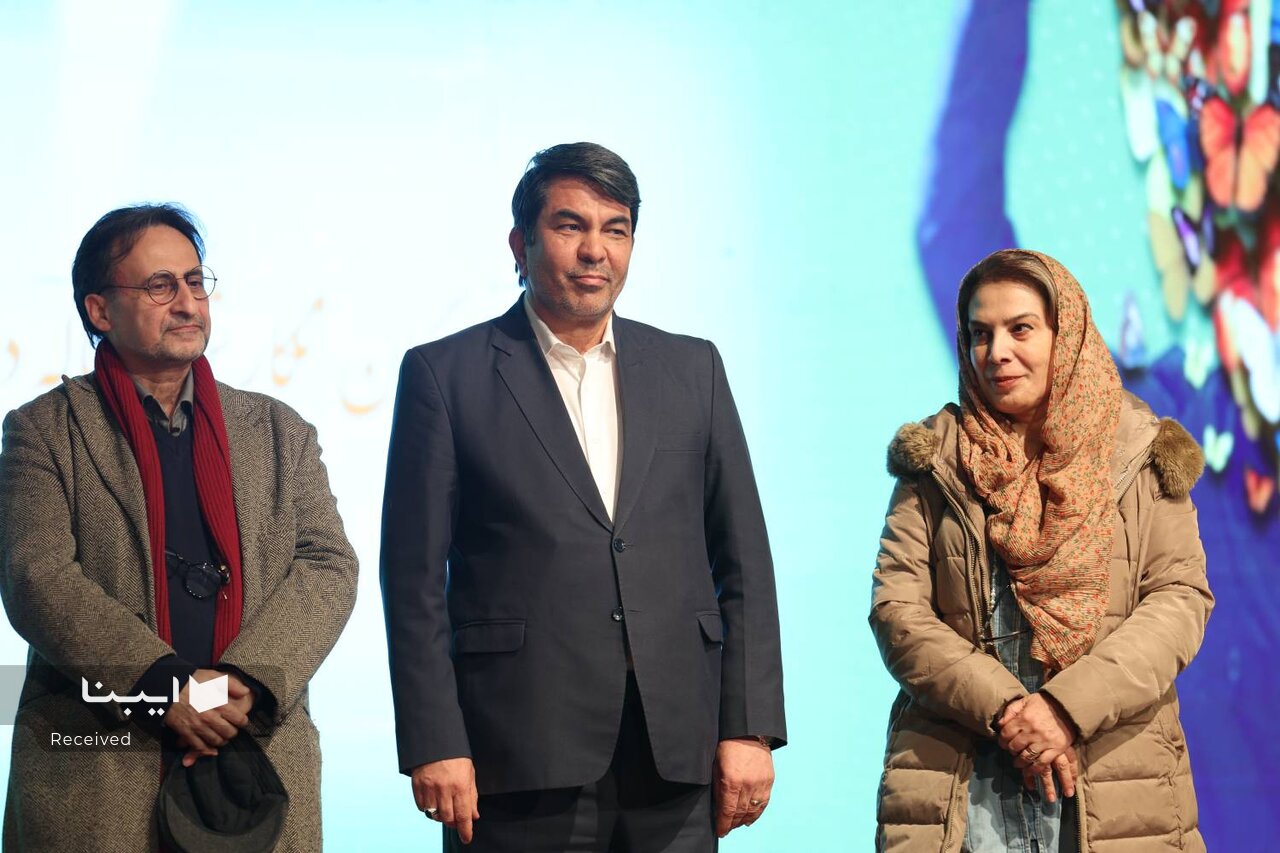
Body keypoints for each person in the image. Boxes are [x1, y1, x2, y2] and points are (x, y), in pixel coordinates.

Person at [380, 142, 786, 851]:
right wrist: (434, 739)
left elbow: (742, 558)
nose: (595, 250)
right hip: (517, 752)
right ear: (522, 243)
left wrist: (748, 727)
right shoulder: (445, 375)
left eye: (615, 229)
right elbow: (412, 578)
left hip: (675, 751)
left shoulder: (692, 367)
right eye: (570, 226)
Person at [0, 204, 358, 850]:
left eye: (195, 282)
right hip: (100, 766)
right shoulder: (44, 430)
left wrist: (240, 685)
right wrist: (162, 688)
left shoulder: (279, 431)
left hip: (254, 757)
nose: (189, 303)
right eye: (161, 286)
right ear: (100, 310)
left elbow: (327, 566)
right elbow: (37, 577)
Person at [869, 249, 1212, 851]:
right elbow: (897, 611)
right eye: (980, 333)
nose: (997, 351)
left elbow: (1178, 601)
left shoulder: (1141, 453)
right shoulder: (934, 460)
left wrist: (1064, 709)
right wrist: (1008, 710)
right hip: (962, 786)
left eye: (1020, 328)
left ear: (1066, 334)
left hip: (1114, 781)